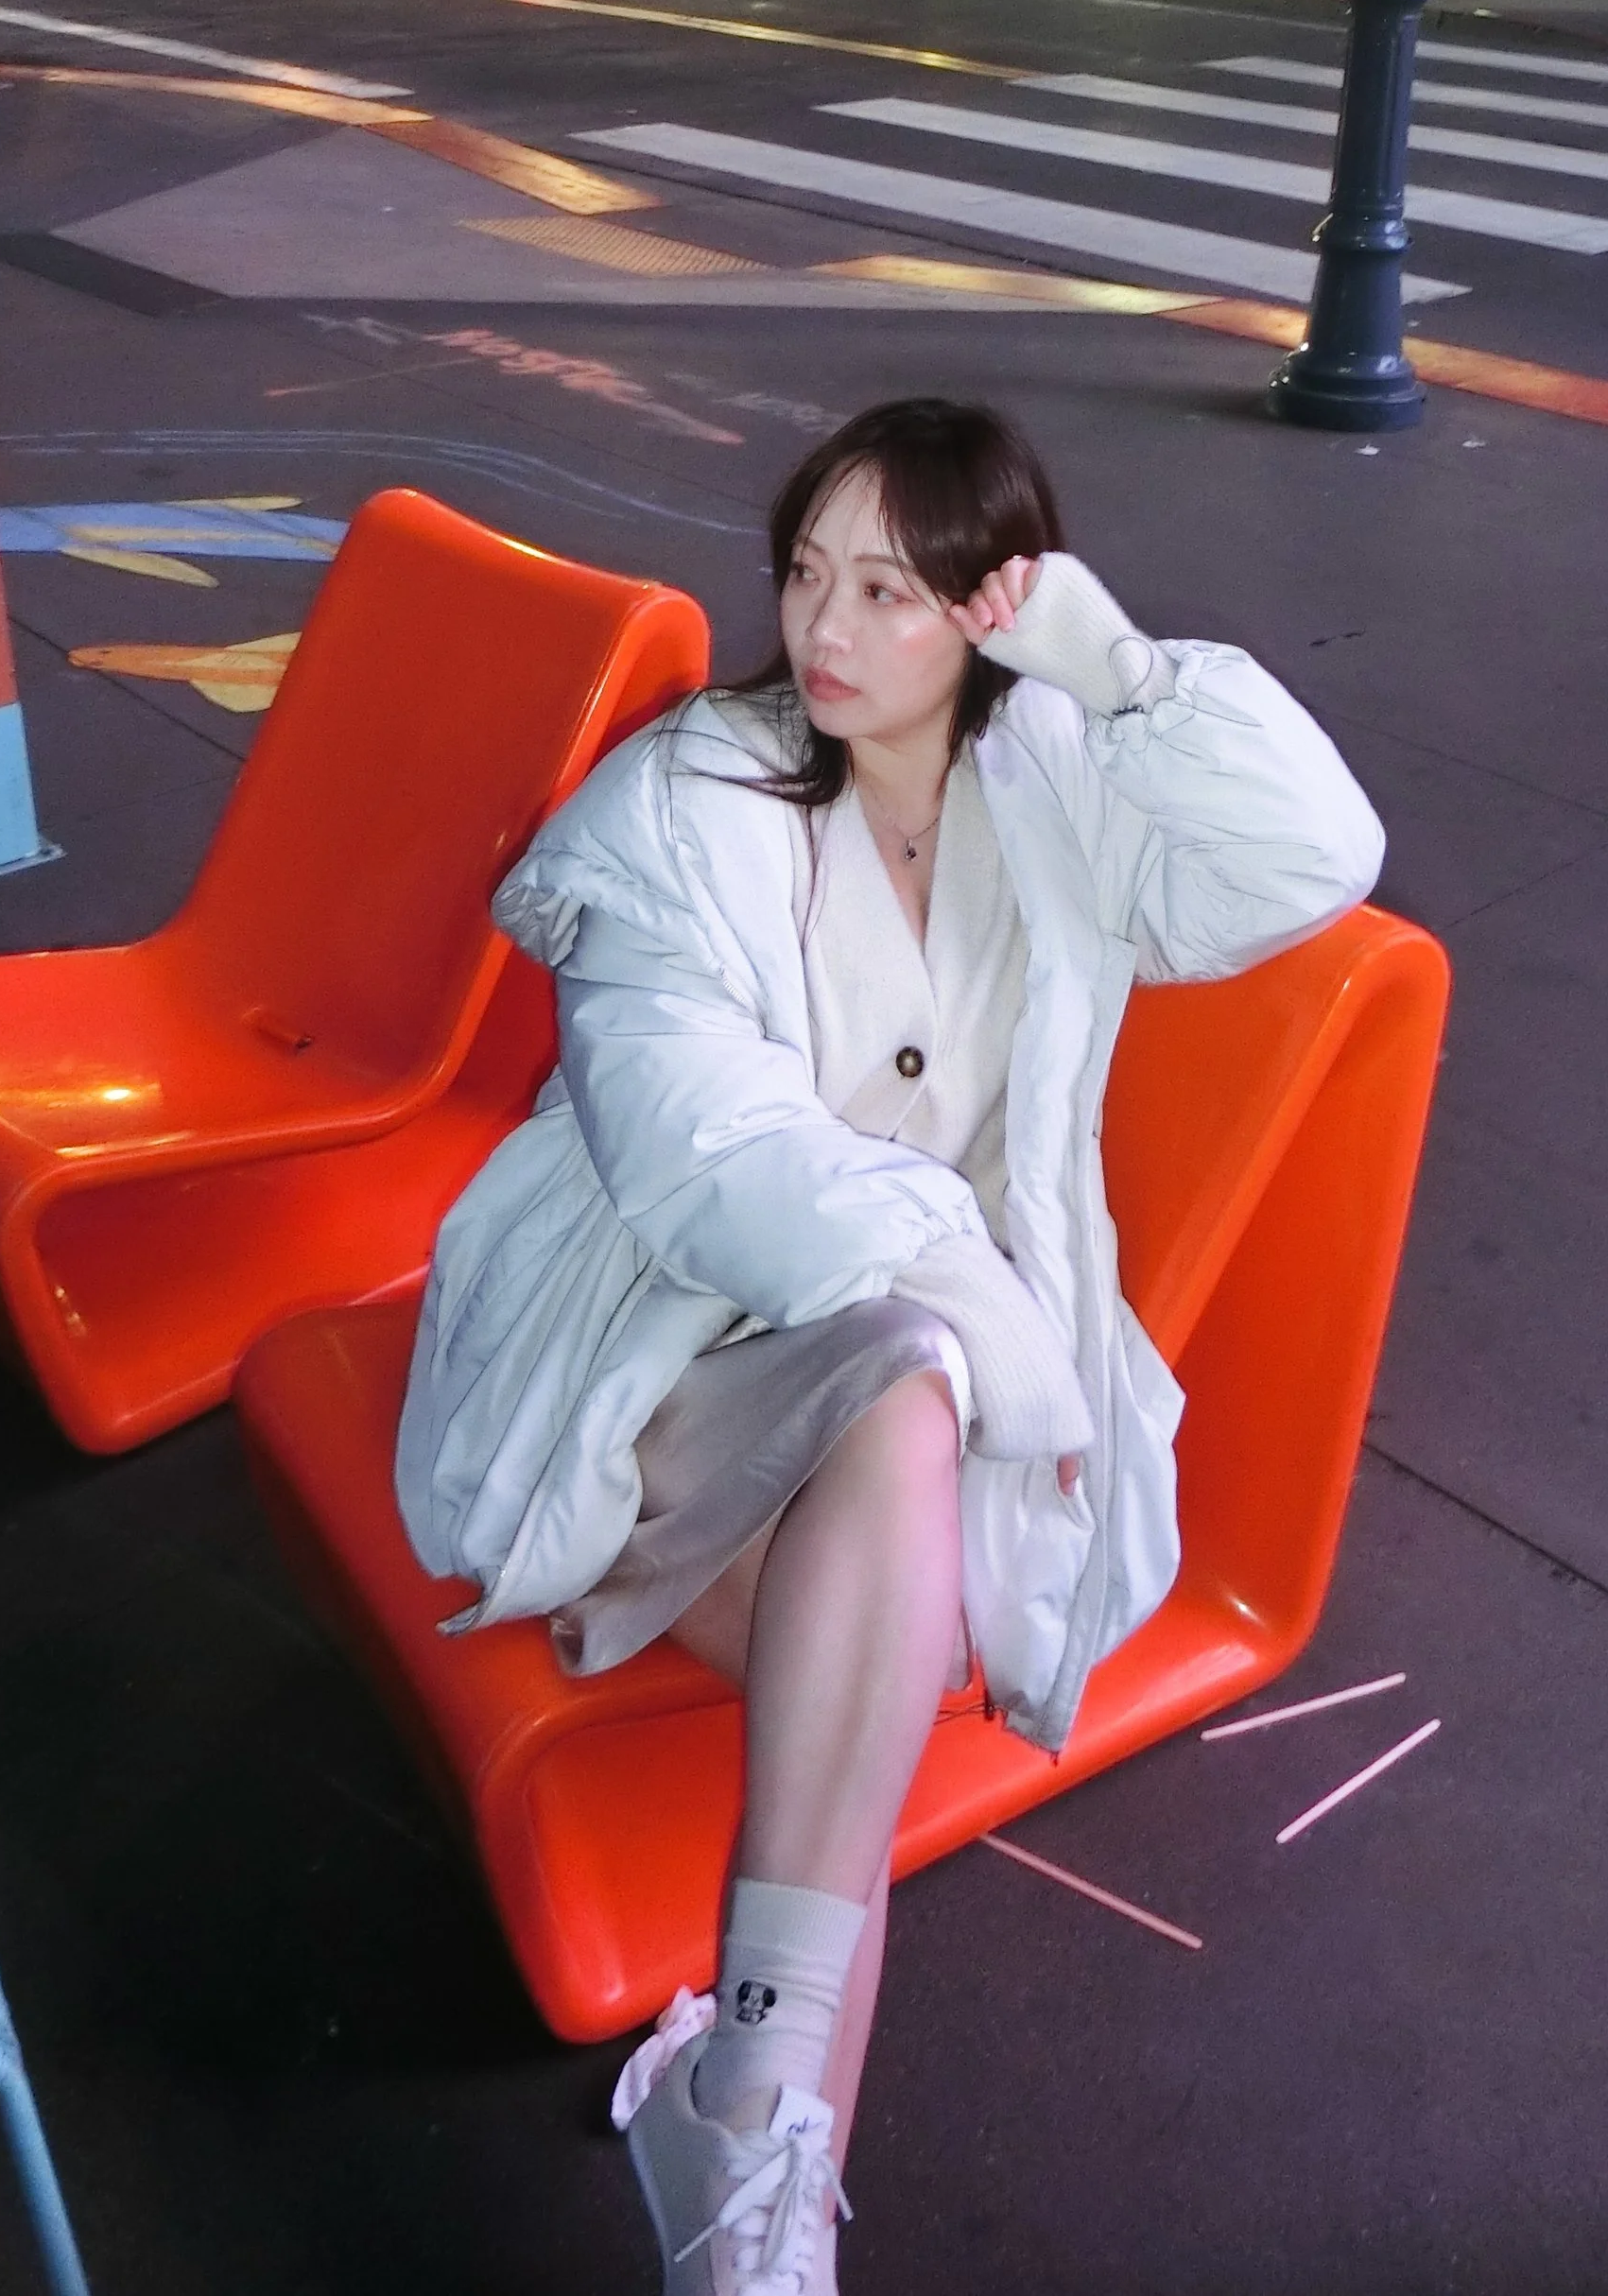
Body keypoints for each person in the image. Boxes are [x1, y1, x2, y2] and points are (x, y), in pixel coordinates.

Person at [395, 398, 1384, 2293]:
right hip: (640, 1349)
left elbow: (1314, 850)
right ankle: (756, 2146)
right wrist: (996, 1322)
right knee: (915, 1430)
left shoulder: (1059, 800)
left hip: (873, 1406)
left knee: (898, 1492)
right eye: (802, 573)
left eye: (888, 589)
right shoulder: (686, 796)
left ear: (985, 613)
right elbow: (705, 1152)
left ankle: (751, 2129)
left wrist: (1116, 664)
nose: (824, 629)